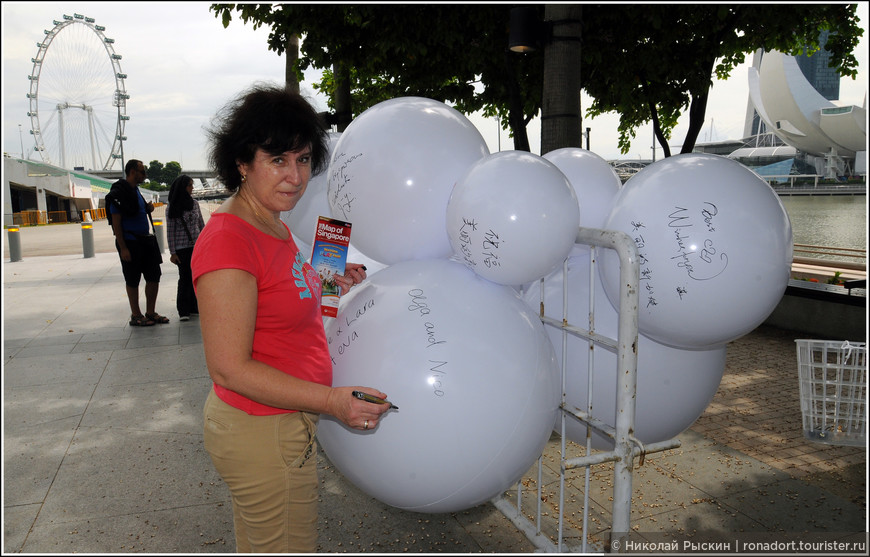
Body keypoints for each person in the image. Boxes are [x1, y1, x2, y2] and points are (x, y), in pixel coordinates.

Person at [191, 83, 392, 553]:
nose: (295, 176)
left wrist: (328, 275)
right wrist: (331, 400)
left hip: (279, 425)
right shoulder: (230, 240)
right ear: (242, 162)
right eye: (278, 159)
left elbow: (277, 291)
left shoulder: (270, 222)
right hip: (262, 430)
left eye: (303, 160)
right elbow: (228, 367)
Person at [106, 159, 169, 326]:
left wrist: (147, 209)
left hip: (146, 240)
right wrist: (123, 247)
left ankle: (150, 312)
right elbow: (116, 222)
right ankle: (136, 314)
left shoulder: (136, 191)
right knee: (132, 279)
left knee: (154, 276)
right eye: (142, 172)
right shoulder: (119, 193)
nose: (145, 175)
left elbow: (134, 211)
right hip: (130, 241)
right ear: (133, 172)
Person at [166, 174, 204, 321]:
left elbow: (201, 224)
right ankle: (183, 310)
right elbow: (170, 231)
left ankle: (194, 307)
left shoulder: (194, 203)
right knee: (184, 278)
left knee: (196, 277)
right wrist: (173, 252)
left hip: (196, 246)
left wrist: (205, 243)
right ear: (183, 187)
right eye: (189, 185)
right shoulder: (172, 206)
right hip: (182, 248)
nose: (192, 188)